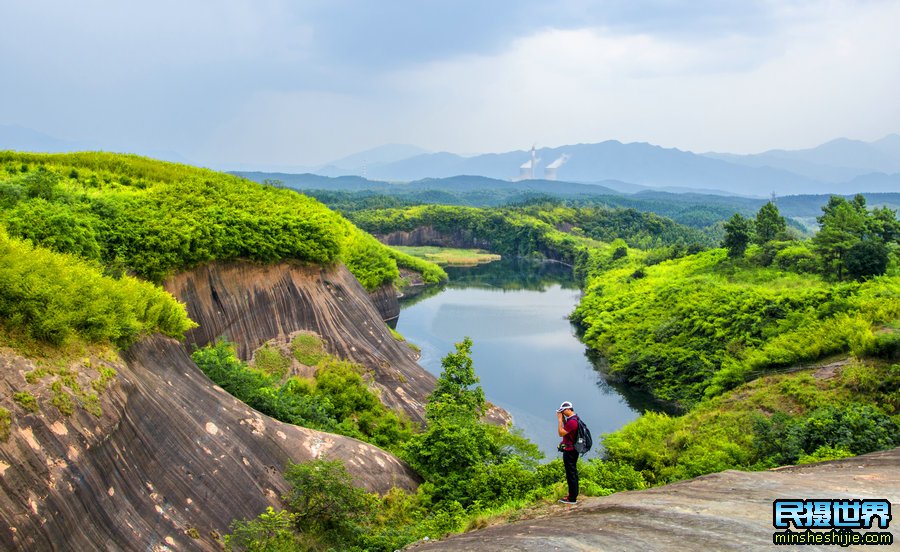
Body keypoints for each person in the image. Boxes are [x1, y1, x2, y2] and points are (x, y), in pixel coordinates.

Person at [556, 400, 579, 504]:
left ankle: (572, 498)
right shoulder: (573, 419)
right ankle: (572, 495)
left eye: (563, 411)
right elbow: (567, 430)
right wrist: (564, 420)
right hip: (572, 449)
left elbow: (561, 433)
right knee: (572, 473)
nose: (562, 413)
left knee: (571, 474)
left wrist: (560, 420)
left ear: (569, 409)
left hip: (570, 451)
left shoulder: (573, 422)